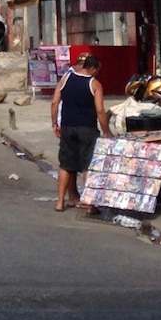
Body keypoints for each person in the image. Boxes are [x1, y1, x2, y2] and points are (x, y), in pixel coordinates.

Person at [51, 54, 110, 212]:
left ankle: (60, 202)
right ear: (92, 68)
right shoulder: (95, 84)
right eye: (97, 70)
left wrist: (54, 123)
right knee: (88, 166)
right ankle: (89, 204)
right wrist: (106, 131)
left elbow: (55, 102)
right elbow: (100, 110)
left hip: (67, 127)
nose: (97, 73)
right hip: (87, 128)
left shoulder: (66, 79)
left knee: (65, 165)